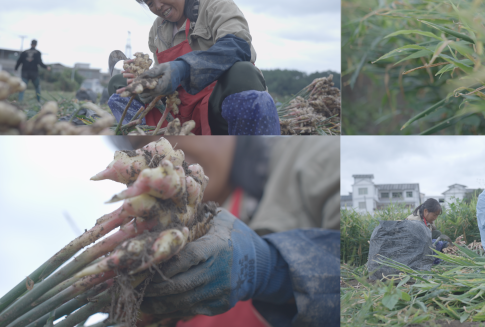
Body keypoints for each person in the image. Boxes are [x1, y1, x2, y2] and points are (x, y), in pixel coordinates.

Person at [111, 136, 340, 326]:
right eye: (139, 145)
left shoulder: (311, 156)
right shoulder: (158, 251)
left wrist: (273, 270)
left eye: (169, 133)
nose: (159, 154)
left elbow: (363, 285)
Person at [107, 0, 280, 135]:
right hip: (179, 109)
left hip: (215, 105)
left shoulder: (215, 5)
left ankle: (245, 150)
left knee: (242, 71)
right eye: (150, 3)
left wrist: (183, 68)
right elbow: (164, 79)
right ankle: (151, 145)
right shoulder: (157, 29)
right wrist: (149, 86)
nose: (157, 6)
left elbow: (237, 46)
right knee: (119, 84)